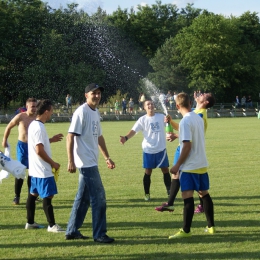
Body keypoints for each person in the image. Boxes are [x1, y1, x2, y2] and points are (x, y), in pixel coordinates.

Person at [65, 83, 115, 243]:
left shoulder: (95, 112)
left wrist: (107, 157)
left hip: (91, 161)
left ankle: (72, 230)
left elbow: (99, 136)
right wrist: (70, 161)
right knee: (99, 197)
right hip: (85, 162)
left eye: (99, 93)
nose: (97, 96)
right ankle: (99, 234)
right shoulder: (81, 112)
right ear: (86, 95)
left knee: (83, 198)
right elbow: (70, 136)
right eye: (94, 93)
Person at [155, 92, 215, 213]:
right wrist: (171, 122)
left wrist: (176, 136)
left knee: (186, 178)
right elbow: (185, 128)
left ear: (206, 102)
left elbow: (195, 134)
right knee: (178, 175)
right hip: (186, 147)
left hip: (189, 149)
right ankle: (172, 203)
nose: (201, 94)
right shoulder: (194, 112)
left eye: (204, 95)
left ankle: (174, 204)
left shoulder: (200, 115)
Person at [168, 92, 215, 239]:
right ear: (190, 103)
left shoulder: (185, 121)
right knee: (204, 194)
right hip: (202, 163)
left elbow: (187, 146)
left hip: (190, 166)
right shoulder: (198, 117)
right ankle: (211, 226)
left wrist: (177, 165)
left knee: (187, 197)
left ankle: (186, 231)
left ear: (177, 106)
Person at [120, 100, 171, 201]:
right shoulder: (142, 120)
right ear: (144, 107)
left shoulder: (161, 117)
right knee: (148, 171)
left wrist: (169, 121)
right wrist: (125, 138)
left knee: (165, 169)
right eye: (148, 104)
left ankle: (170, 192)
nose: (150, 105)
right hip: (148, 150)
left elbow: (169, 126)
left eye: (152, 104)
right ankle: (147, 194)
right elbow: (134, 131)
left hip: (161, 149)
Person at [25, 99, 65, 232]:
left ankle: (30, 222)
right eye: (52, 111)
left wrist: (50, 140)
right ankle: (52, 225)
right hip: (42, 170)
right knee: (48, 196)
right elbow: (39, 150)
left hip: (34, 170)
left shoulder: (33, 125)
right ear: (46, 112)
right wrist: (53, 163)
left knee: (33, 194)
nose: (52, 114)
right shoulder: (39, 127)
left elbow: (38, 144)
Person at [2, 98, 37, 205]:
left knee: (33, 172)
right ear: (27, 107)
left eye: (36, 106)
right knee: (20, 171)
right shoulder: (20, 117)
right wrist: (4, 140)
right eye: (33, 106)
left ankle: (31, 196)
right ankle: (17, 196)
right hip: (22, 147)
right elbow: (8, 127)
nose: (35, 109)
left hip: (33, 147)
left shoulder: (37, 118)